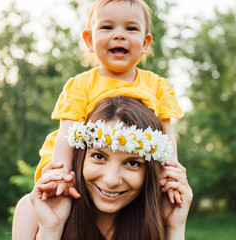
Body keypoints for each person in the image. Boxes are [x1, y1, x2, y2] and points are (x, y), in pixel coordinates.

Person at [37, 0, 183, 203]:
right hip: (83, 170)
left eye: (131, 28)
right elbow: (66, 133)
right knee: (31, 205)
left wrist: (170, 170)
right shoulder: (81, 84)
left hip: (132, 172)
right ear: (89, 40)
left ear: (145, 43)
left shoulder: (158, 86)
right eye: (107, 27)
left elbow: (166, 136)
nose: (120, 34)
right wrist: (62, 174)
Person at [12, 96, 192, 240]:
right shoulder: (33, 212)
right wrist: (51, 230)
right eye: (99, 156)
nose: (111, 180)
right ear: (80, 157)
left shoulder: (161, 217)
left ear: (152, 171)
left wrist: (174, 230)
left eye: (132, 163)